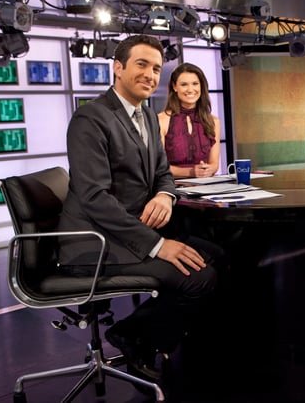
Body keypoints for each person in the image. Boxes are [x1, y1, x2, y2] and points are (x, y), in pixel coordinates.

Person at [57, 35, 220, 381]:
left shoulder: (145, 115)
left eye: (157, 68)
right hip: (94, 243)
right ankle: (136, 336)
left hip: (128, 232)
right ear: (118, 68)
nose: (150, 74)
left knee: (219, 255)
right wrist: (157, 245)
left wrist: (165, 196)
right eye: (142, 65)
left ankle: (146, 335)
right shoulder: (90, 119)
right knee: (199, 276)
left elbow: (162, 173)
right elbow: (94, 198)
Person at [158, 62, 221, 178]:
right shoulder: (161, 120)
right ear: (175, 87)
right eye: (184, 84)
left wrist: (208, 170)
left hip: (207, 187)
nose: (190, 89)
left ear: (201, 86)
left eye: (195, 84)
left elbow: (214, 164)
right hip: (173, 188)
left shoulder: (214, 121)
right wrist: (191, 172)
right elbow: (159, 167)